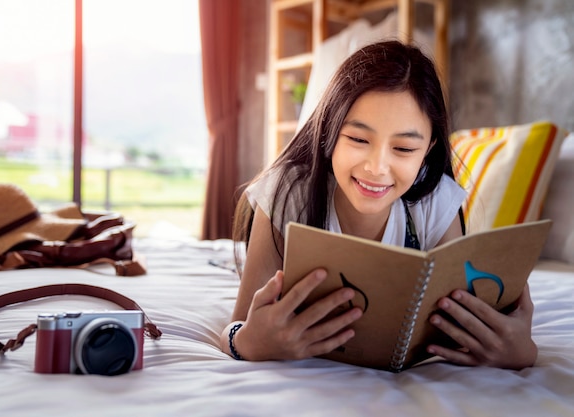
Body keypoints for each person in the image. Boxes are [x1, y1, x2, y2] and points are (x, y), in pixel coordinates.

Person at [220, 40, 537, 370]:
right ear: (330, 129)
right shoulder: (289, 192)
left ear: (427, 149)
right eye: (358, 140)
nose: (377, 167)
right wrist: (250, 342)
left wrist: (520, 353)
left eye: (403, 149)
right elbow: (237, 326)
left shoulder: (434, 199)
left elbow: (461, 318)